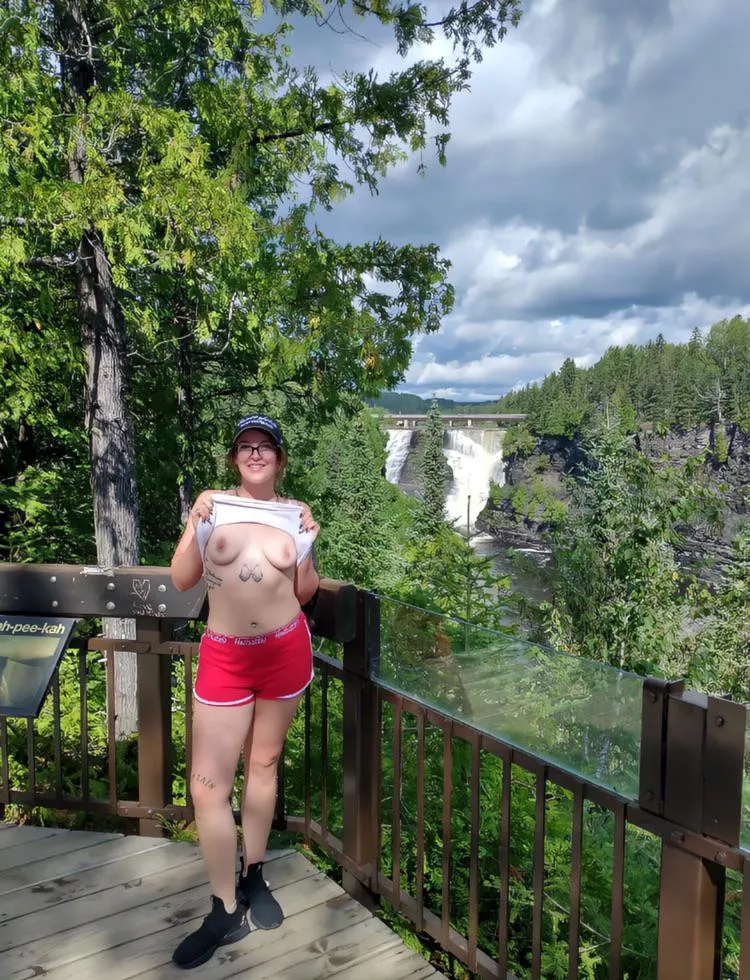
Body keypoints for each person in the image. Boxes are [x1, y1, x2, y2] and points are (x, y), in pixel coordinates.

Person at [169, 414, 320, 970]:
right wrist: (192, 520)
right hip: (225, 657)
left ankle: (254, 874)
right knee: (208, 786)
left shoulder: (294, 515)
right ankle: (223, 907)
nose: (256, 453)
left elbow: (304, 593)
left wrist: (307, 542)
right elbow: (182, 577)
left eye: (266, 447)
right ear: (235, 458)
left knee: (265, 764)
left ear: (280, 460)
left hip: (284, 651)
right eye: (245, 446)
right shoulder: (212, 507)